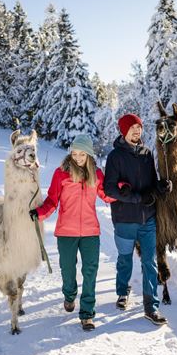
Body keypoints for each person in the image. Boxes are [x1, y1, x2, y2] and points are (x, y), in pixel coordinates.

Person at [29, 134, 115, 331]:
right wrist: (39, 213)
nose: (77, 157)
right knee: (68, 270)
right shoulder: (61, 174)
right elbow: (52, 201)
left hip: (91, 232)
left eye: (81, 154)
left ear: (89, 154)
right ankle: (69, 295)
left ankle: (87, 314)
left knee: (90, 271)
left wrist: (124, 189)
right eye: (74, 153)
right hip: (66, 232)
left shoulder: (97, 175)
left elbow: (107, 195)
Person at [103, 113, 172, 326]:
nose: (137, 130)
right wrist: (135, 198)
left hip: (147, 218)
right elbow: (110, 188)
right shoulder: (115, 156)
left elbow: (150, 184)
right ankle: (122, 292)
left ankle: (151, 307)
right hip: (124, 219)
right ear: (123, 131)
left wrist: (160, 187)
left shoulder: (146, 154)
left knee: (149, 262)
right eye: (132, 127)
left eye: (139, 127)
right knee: (125, 259)